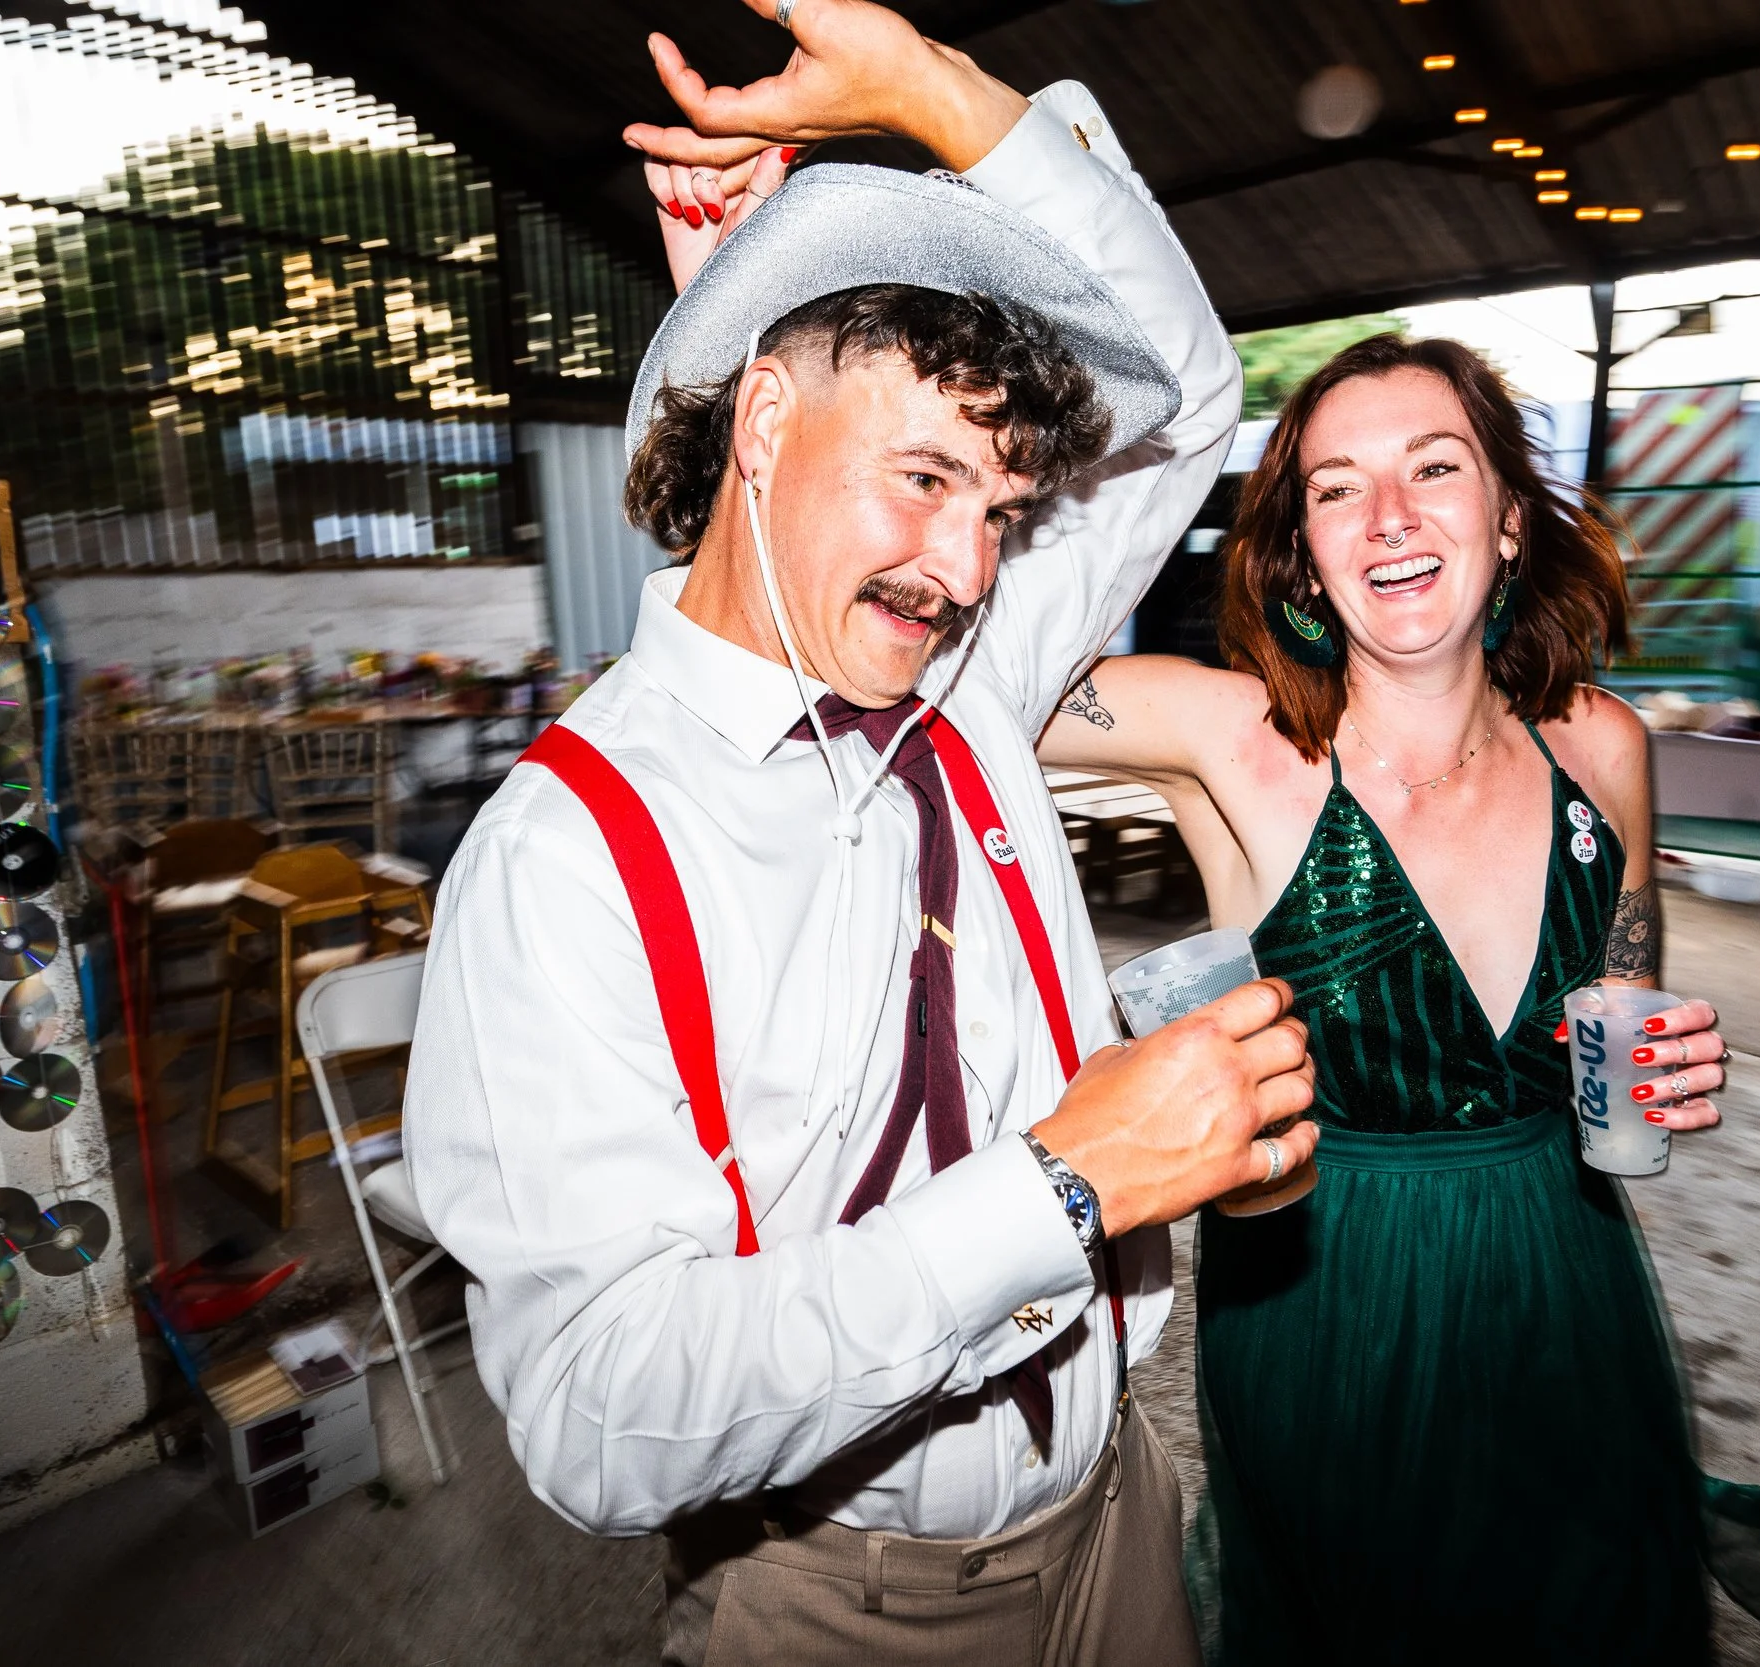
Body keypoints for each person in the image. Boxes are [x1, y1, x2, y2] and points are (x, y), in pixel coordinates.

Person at [401, 4, 1313, 1663]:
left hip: (1114, 1513)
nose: (963, 569)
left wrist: (927, 91)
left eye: (1000, 511)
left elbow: (1187, 389)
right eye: (923, 477)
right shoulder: (565, 856)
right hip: (838, 1602)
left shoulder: (970, 679)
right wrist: (1062, 1188)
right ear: (763, 420)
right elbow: (598, 1409)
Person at [1038, 332, 1760, 1662]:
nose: (1390, 514)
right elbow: (955, 667)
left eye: (1434, 467)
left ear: (1510, 518)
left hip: (1562, 1271)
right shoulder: (1229, 736)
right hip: (1323, 1296)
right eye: (1336, 487)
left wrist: (1665, 1074)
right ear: (1301, 554)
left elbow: (1620, 1034)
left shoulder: (1603, 744)